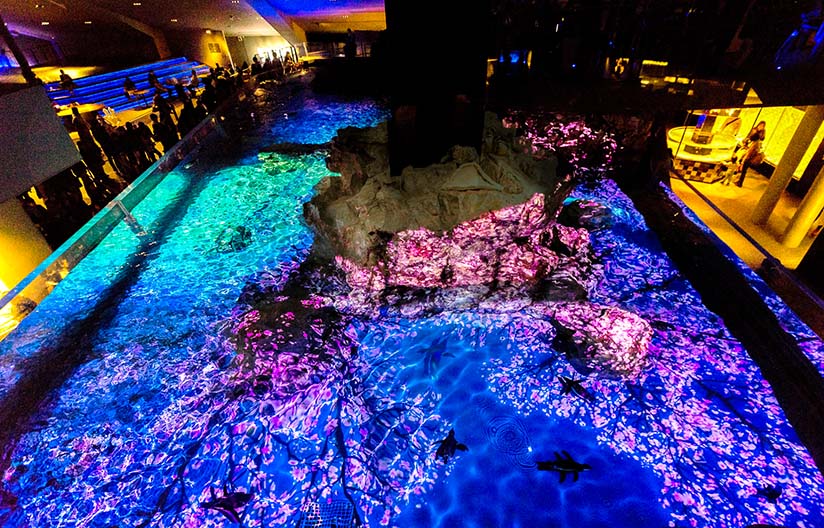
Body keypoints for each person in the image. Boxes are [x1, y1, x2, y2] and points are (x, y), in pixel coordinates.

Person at [735, 121, 766, 187]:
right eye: (760, 125)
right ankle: (739, 178)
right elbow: (749, 137)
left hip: (749, 157)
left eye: (762, 126)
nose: (761, 127)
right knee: (743, 168)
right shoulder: (754, 136)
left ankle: (740, 182)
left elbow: (749, 153)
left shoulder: (756, 143)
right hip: (749, 154)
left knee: (744, 169)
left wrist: (743, 161)